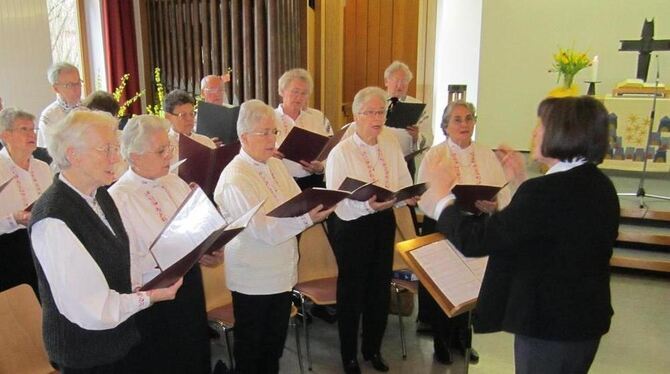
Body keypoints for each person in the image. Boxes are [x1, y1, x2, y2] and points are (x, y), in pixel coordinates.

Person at [424, 96, 618, 374]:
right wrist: (521, 182)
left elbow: (477, 240)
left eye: (541, 126)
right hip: (584, 321)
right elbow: (553, 228)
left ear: (562, 134)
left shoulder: (543, 192)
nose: (534, 132)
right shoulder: (601, 185)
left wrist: (442, 198)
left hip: (547, 325)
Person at [29, 110, 183, 373]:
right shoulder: (53, 218)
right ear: (73, 154)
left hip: (119, 338)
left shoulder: (99, 195)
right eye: (106, 149)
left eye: (115, 147)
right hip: (87, 352)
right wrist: (148, 297)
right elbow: (92, 308)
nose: (116, 157)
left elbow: (124, 257)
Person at [214, 99, 333, 373]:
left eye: (274, 131)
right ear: (244, 137)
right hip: (253, 279)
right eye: (264, 132)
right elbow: (262, 230)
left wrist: (318, 204)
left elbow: (296, 201)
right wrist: (307, 218)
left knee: (273, 349)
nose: (271, 138)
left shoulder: (275, 165)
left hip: (282, 273)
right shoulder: (235, 177)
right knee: (251, 352)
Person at [109, 114, 223, 374]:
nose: (169, 156)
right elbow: (125, 261)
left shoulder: (175, 181)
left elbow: (198, 231)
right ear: (134, 156)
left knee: (194, 355)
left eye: (169, 148)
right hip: (153, 297)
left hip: (189, 285)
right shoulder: (118, 198)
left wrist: (211, 251)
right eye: (161, 151)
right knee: (163, 361)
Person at [325, 87, 415, 374]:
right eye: (371, 113)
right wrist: (367, 207)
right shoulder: (341, 152)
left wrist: (405, 195)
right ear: (356, 116)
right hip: (352, 227)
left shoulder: (390, 144)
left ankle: (372, 348)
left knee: (378, 289)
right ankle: (349, 355)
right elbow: (338, 202)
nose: (378, 118)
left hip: (383, 221)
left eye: (381, 112)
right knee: (352, 293)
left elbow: (403, 178)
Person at [416, 100, 512, 364]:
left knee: (469, 284)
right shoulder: (435, 155)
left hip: (478, 226)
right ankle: (441, 341)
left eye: (469, 118)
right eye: (457, 119)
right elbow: (423, 194)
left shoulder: (485, 153)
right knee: (445, 284)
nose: (464, 124)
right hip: (443, 225)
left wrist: (495, 205)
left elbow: (502, 191)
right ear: (445, 125)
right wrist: (447, 205)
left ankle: (463, 338)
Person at [0, 108, 52, 296]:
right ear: (5, 135)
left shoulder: (43, 167)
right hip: (9, 249)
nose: (32, 134)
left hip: (43, 242)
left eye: (33, 129)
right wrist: (13, 219)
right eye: (24, 130)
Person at [274, 68, 333, 190]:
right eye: (295, 92)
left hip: (312, 182)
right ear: (282, 91)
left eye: (304, 93)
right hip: (280, 183)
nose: (299, 97)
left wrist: (321, 168)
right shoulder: (269, 118)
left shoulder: (317, 118)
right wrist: (269, 156)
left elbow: (331, 150)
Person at [383, 60, 431, 176]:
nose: (400, 85)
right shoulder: (376, 103)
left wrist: (416, 136)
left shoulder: (418, 107)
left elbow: (429, 138)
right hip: (380, 160)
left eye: (404, 81)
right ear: (386, 82)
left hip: (406, 162)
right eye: (396, 80)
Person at [164, 89, 216, 165]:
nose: (189, 119)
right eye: (183, 115)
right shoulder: (163, 147)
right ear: (168, 117)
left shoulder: (206, 142)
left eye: (191, 114)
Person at [38, 62, 82, 147]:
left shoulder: (89, 108)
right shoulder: (48, 117)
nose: (76, 89)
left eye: (78, 83)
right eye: (69, 85)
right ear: (56, 88)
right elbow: (47, 152)